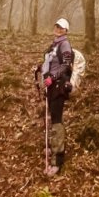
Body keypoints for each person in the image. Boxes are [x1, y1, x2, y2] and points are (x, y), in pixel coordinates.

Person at [38, 17, 73, 176]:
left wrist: (52, 77)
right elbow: (53, 63)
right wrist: (41, 69)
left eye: (61, 28)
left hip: (59, 87)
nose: (58, 29)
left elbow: (66, 65)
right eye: (57, 26)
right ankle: (53, 146)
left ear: (66, 30)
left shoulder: (65, 44)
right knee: (53, 118)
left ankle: (58, 160)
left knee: (57, 121)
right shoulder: (55, 43)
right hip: (52, 86)